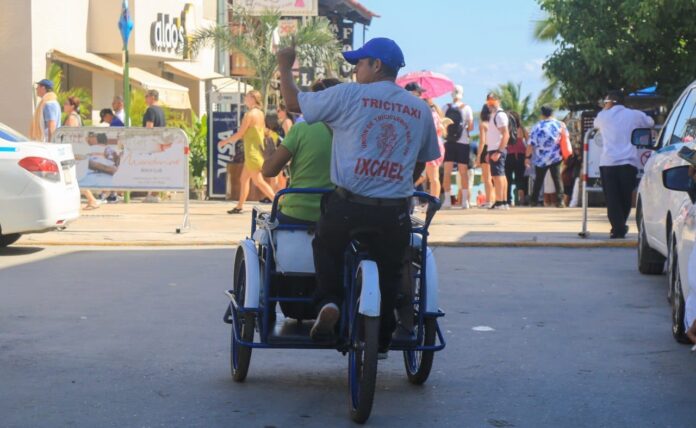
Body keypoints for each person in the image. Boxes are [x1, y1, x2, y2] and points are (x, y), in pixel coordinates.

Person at [276, 37, 440, 356]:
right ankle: (383, 335)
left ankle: (330, 302)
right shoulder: (419, 109)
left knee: (326, 246)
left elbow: (294, 103)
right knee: (392, 269)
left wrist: (284, 65)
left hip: (348, 205)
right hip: (394, 212)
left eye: (359, 64)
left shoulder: (349, 95)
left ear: (376, 65)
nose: (354, 71)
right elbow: (421, 160)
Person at [262, 78, 341, 224]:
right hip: (335, 213)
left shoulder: (302, 129)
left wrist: (268, 154)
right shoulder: (352, 131)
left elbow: (269, 171)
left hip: (297, 212)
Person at [593, 90, 654, 238]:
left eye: (605, 102)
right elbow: (650, 123)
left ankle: (618, 228)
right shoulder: (634, 114)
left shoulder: (603, 116)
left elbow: (595, 124)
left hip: (608, 163)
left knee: (612, 197)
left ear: (610, 102)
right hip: (628, 162)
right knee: (625, 197)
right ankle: (619, 226)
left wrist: (605, 109)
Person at [219, 90, 276, 214]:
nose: (245, 99)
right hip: (257, 151)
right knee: (243, 179)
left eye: (247, 97)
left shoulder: (249, 115)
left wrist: (225, 142)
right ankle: (239, 206)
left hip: (252, 153)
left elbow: (240, 134)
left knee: (258, 181)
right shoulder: (260, 113)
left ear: (253, 99)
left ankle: (278, 204)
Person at [406, 82, 445, 199]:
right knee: (431, 177)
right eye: (419, 93)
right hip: (431, 145)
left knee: (433, 177)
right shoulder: (429, 111)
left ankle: (433, 201)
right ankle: (432, 201)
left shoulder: (427, 112)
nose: (420, 95)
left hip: (430, 146)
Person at [526, 105, 566, 208]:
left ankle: (534, 201)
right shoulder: (559, 125)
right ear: (552, 113)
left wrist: (527, 157)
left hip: (541, 158)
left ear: (542, 114)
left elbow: (531, 143)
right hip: (555, 156)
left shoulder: (537, 126)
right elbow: (565, 139)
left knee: (539, 180)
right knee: (557, 179)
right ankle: (560, 201)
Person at [442, 85, 474, 208]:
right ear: (462, 94)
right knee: (463, 172)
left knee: (447, 172)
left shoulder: (446, 107)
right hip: (463, 143)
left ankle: (447, 201)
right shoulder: (467, 108)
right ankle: (465, 201)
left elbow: (442, 124)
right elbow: (471, 127)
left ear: (451, 94)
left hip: (449, 142)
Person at [485, 92, 510, 209]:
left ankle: (501, 201)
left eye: (492, 101)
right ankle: (502, 201)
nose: (490, 104)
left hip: (497, 149)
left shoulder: (499, 115)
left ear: (498, 101)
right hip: (494, 148)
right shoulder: (494, 115)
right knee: (500, 175)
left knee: (498, 175)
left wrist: (499, 151)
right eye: (488, 102)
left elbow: (506, 134)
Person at [142, 89, 166, 202]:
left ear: (152, 97)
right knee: (157, 168)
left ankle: (151, 194)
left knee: (150, 169)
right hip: (160, 143)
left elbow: (149, 127)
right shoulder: (161, 111)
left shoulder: (150, 110)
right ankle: (155, 194)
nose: (145, 98)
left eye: (146, 96)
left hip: (152, 143)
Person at [505, 111, 528, 206]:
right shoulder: (522, 129)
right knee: (520, 179)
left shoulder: (507, 129)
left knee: (508, 179)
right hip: (521, 156)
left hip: (509, 155)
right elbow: (529, 142)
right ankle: (521, 200)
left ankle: (508, 200)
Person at [476, 104, 494, 207]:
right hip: (494, 149)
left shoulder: (483, 124)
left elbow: (482, 141)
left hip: (486, 149)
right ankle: (491, 199)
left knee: (487, 178)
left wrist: (478, 156)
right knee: (492, 178)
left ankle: (488, 200)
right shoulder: (494, 124)